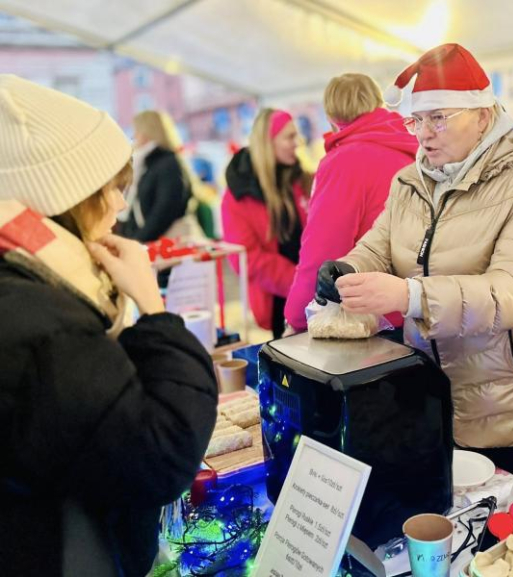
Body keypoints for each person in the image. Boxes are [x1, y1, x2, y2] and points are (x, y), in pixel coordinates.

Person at [315, 44, 513, 476]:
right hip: (430, 396)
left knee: (507, 534)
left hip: (506, 407)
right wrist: (348, 269)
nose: (423, 133)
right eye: (417, 120)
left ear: (483, 116)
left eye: (439, 118)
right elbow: (378, 245)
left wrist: (409, 294)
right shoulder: (410, 181)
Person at [0, 76, 218, 576]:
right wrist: (153, 306)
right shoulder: (43, 323)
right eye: (111, 189)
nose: (121, 206)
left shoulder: (34, 284)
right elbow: (163, 453)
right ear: (66, 195)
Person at [284, 73, 418, 333]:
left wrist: (296, 317)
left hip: (374, 319)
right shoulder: (412, 148)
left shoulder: (343, 161)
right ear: (378, 102)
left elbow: (323, 249)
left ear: (331, 116)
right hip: (419, 308)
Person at [222, 108, 311, 338]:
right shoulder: (239, 194)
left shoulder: (299, 179)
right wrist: (299, 282)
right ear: (268, 142)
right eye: (289, 137)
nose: (297, 142)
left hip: (313, 293)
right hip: (279, 300)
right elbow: (245, 257)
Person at [119, 110, 200, 242]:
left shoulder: (168, 163)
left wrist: (138, 239)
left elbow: (165, 210)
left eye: (137, 131)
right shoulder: (147, 163)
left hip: (168, 241)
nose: (134, 136)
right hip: (155, 239)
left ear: (148, 132)